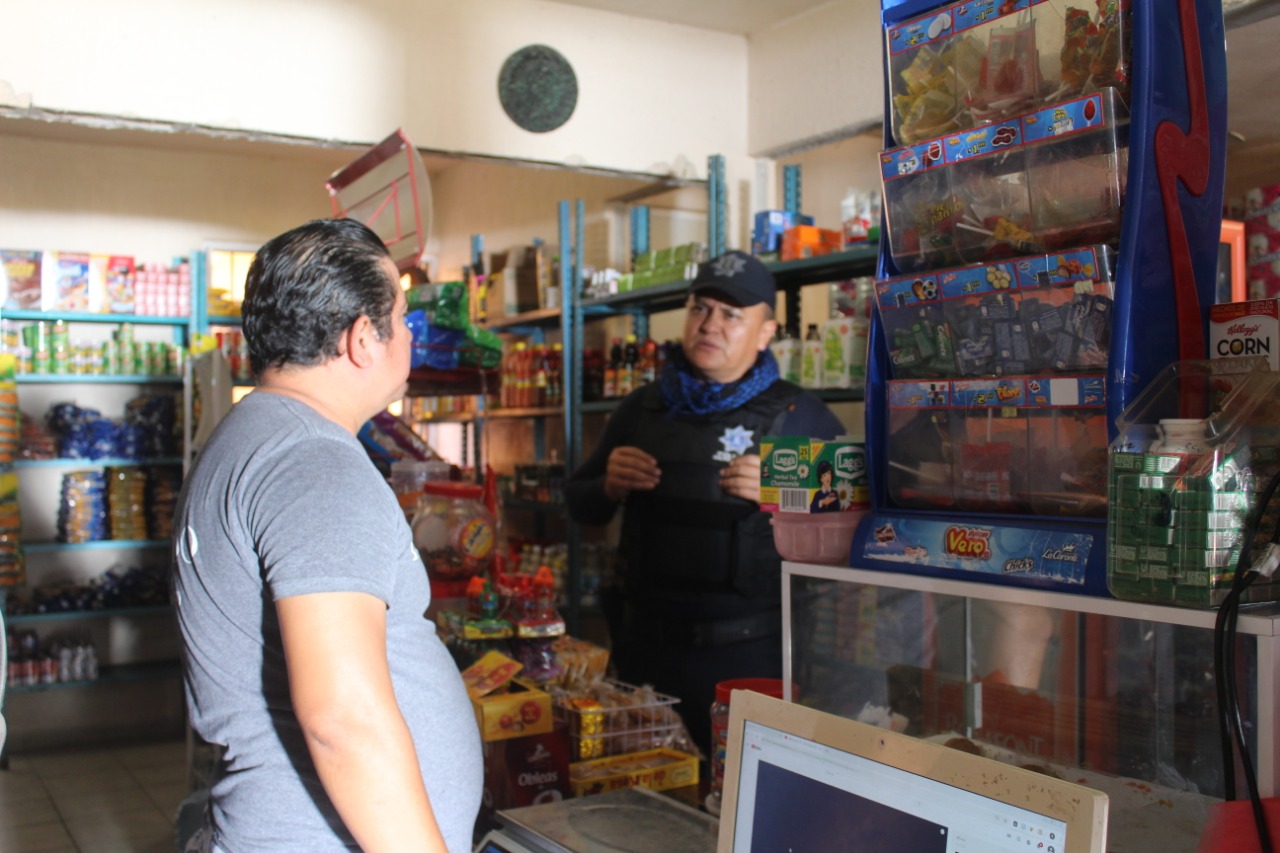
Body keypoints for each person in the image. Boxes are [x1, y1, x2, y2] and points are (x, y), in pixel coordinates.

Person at [172, 219, 482, 853]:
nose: (409, 336)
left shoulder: (254, 434)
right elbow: (344, 722)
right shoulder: (314, 462)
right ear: (363, 338)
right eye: (402, 318)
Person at [566, 249, 845, 754]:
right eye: (700, 308)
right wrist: (607, 485)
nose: (710, 325)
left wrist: (791, 491)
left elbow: (854, 526)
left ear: (765, 332)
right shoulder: (641, 408)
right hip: (644, 654)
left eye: (732, 314)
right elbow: (580, 505)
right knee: (644, 783)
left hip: (749, 657)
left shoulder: (800, 414)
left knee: (737, 790)